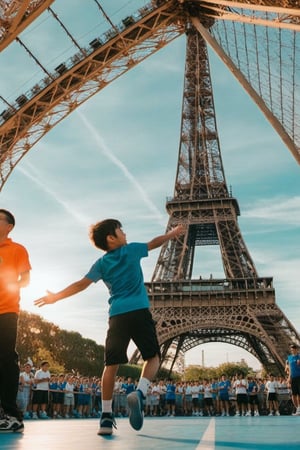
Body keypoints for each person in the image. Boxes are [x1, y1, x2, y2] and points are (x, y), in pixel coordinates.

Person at [34, 218, 185, 435]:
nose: (125, 233)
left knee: (111, 365)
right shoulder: (132, 250)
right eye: (121, 230)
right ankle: (140, 393)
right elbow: (154, 242)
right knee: (153, 357)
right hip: (139, 310)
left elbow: (81, 284)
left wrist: (56, 297)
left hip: (117, 316)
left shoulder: (101, 264)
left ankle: (105, 417)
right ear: (111, 238)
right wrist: (173, 234)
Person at [0, 209, 31, 433]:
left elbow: (26, 279)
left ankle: (11, 414)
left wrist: (11, 288)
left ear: (9, 226)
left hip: (6, 310)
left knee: (6, 359)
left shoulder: (17, 249)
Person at [285, 343, 300, 415]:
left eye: (294, 349)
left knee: (299, 394)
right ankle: (297, 408)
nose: (292, 351)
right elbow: (290, 369)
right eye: (291, 350)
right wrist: (289, 377)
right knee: (293, 394)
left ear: (297, 350)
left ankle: (299, 408)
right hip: (293, 377)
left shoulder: (299, 356)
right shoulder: (289, 357)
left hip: (299, 377)